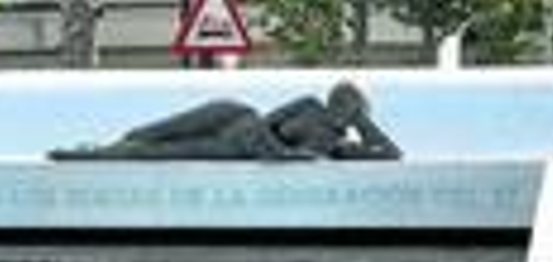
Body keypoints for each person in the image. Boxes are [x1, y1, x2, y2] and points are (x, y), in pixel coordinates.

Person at [49, 80, 402, 161]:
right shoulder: (310, 105)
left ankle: (83, 155)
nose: (339, 105)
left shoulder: (337, 146)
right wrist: (278, 154)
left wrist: (364, 124)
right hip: (235, 117)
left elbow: (391, 155)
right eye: (340, 99)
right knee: (147, 132)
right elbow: (268, 120)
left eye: (349, 105)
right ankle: (98, 147)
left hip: (233, 145)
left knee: (153, 151)